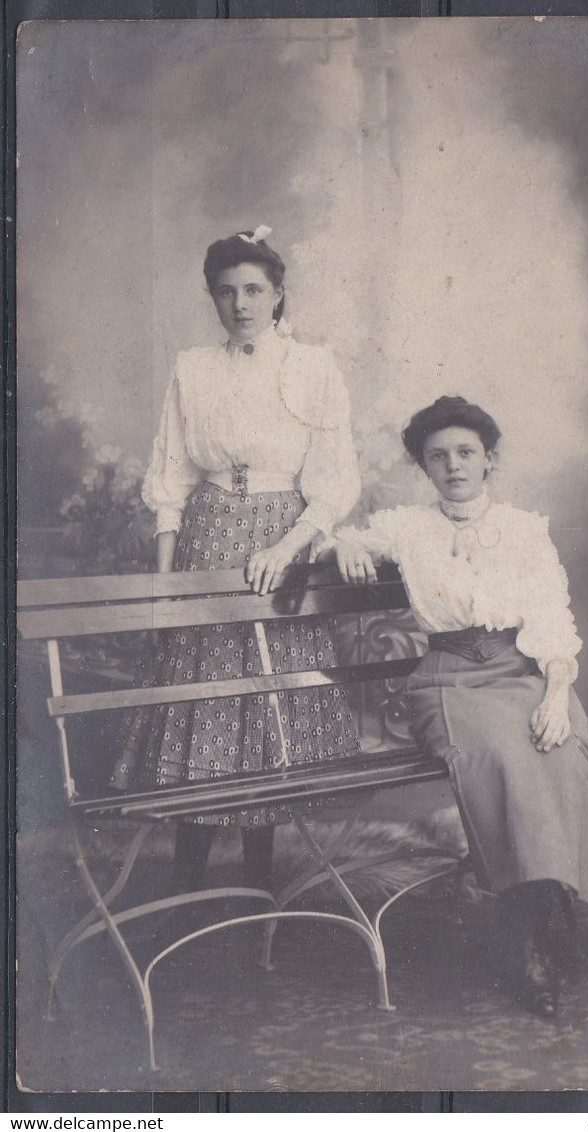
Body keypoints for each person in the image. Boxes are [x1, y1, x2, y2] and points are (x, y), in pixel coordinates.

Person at [333, 395, 588, 1018]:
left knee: (566, 750)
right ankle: (537, 944)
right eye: (438, 457)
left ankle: (546, 911)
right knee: (510, 761)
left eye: (465, 453)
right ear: (424, 468)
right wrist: (349, 542)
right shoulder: (407, 526)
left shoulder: (524, 530)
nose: (453, 466)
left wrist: (558, 692)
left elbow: (550, 615)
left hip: (521, 670)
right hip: (448, 680)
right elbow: (347, 537)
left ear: (489, 460)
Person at [111, 226, 362, 890]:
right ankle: (187, 883)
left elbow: (335, 483)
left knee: (264, 701)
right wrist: (166, 580)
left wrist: (285, 547)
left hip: (284, 539)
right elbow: (172, 475)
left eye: (254, 290)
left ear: (278, 293)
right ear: (212, 300)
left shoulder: (313, 367)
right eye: (226, 293)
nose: (241, 304)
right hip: (206, 536)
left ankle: (259, 881)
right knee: (199, 698)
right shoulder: (192, 367)